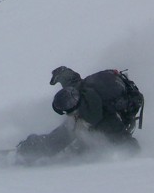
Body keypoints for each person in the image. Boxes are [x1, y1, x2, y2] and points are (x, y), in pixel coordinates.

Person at [15, 65, 144, 164]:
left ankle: (42, 149)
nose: (67, 116)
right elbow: (69, 76)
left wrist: (125, 155)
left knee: (79, 138)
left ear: (75, 110)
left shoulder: (106, 122)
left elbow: (130, 145)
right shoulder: (77, 89)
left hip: (125, 109)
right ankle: (36, 148)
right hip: (109, 92)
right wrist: (59, 73)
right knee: (70, 132)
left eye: (67, 113)